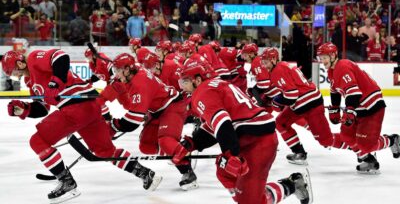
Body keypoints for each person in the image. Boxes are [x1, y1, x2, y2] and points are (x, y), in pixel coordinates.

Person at [1, 49, 162, 203]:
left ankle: (67, 182)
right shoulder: (31, 82)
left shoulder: (34, 58)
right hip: (90, 109)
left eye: (14, 72)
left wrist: (55, 82)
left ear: (20, 64)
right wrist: (24, 109)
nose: (16, 76)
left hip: (76, 109)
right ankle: (145, 173)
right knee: (104, 151)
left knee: (37, 141)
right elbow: (42, 108)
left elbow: (60, 56)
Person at [172, 60, 312, 204]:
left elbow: (222, 122)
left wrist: (230, 154)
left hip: (259, 142)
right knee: (225, 174)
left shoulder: (202, 92)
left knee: (250, 200)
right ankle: (251, 195)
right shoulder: (216, 85)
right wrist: (192, 143)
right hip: (249, 138)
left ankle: (292, 185)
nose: (183, 87)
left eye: (185, 81)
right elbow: (215, 125)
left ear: (198, 80)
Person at [100, 53, 198, 190]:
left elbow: (132, 121)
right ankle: (177, 148)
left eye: (118, 70)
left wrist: (112, 127)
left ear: (127, 69)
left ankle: (187, 172)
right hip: (156, 111)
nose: (116, 74)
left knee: (165, 140)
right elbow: (119, 91)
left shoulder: (140, 83)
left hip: (172, 106)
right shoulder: (133, 72)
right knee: (146, 146)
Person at [317, 43, 400, 173]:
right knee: (346, 136)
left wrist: (349, 110)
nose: (322, 61)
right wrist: (335, 108)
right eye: (320, 58)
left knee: (366, 145)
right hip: (358, 107)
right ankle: (368, 160)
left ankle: (392, 140)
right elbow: (335, 91)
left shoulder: (343, 66)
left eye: (324, 58)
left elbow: (353, 92)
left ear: (333, 55)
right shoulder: (332, 71)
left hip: (371, 107)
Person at [261, 48, 350, 165]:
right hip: (303, 102)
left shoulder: (278, 70)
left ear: (273, 59)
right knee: (280, 122)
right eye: (263, 63)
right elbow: (289, 89)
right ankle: (299, 152)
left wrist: (277, 102)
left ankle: (357, 146)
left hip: (309, 104)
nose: (264, 66)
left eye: (266, 63)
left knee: (326, 140)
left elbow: (291, 94)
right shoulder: (283, 66)